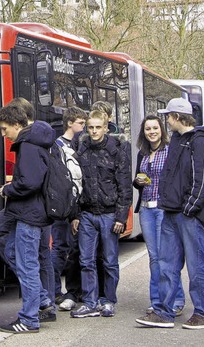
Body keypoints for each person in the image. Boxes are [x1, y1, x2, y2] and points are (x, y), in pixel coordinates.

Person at [136, 97, 204, 329]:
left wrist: (191, 207)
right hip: (171, 211)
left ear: (176, 117)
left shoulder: (200, 141)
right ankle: (164, 312)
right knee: (166, 264)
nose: (166, 121)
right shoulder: (177, 140)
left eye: (168, 116)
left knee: (196, 265)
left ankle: (203, 313)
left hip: (188, 214)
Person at [0, 103, 55, 333]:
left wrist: (8, 190)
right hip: (29, 212)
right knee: (12, 253)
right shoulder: (35, 141)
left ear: (17, 125)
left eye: (5, 129)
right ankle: (44, 301)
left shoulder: (27, 145)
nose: (3, 134)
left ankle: (29, 319)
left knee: (27, 265)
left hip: (29, 213)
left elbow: (30, 182)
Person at [70, 109, 132, 318]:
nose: (94, 131)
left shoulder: (117, 150)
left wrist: (121, 217)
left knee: (109, 261)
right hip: (87, 213)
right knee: (86, 260)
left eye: (98, 127)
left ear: (106, 128)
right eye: (91, 127)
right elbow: (76, 184)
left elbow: (124, 186)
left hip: (109, 214)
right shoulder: (82, 149)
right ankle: (89, 301)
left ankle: (108, 300)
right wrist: (76, 215)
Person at [133, 115, 186, 317]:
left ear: (161, 130)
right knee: (154, 258)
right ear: (143, 132)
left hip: (164, 209)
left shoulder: (170, 150)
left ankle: (176, 299)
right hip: (146, 209)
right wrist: (138, 182)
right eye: (148, 129)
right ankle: (156, 300)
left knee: (167, 257)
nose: (152, 132)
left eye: (155, 128)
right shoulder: (143, 153)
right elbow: (138, 180)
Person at [50, 106, 86, 311]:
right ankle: (55, 290)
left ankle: (67, 290)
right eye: (80, 123)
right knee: (60, 248)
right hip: (62, 206)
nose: (83, 127)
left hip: (72, 205)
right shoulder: (59, 145)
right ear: (70, 123)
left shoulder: (77, 143)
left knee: (70, 249)